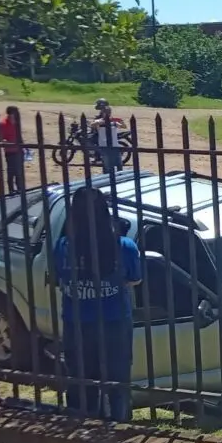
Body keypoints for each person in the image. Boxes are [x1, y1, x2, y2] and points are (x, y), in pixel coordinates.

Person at [54, 185, 141, 421]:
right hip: (114, 322)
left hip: (77, 324)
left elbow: (59, 280)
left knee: (80, 380)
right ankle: (119, 424)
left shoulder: (63, 247)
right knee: (118, 382)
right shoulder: (124, 247)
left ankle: (81, 423)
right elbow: (135, 279)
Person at [0, 106, 25, 194]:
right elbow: (0, 139)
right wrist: (9, 143)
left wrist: (23, 146)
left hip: (19, 150)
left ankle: (20, 188)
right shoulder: (3, 124)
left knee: (19, 171)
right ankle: (11, 189)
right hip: (10, 151)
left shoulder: (17, 122)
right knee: (12, 171)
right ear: (11, 114)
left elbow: (19, 135)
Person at [91, 98, 122, 175]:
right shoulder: (99, 120)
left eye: (109, 112)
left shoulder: (113, 121)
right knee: (107, 166)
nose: (108, 113)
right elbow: (93, 124)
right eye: (106, 112)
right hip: (104, 145)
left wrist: (118, 122)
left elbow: (123, 126)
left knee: (119, 166)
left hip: (114, 145)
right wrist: (100, 122)